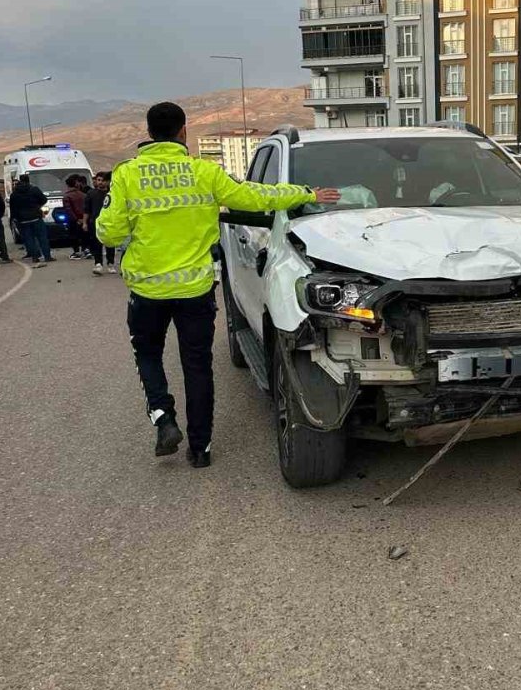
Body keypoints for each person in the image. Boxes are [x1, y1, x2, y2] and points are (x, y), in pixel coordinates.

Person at [96, 101, 341, 468]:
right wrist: (307, 194)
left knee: (147, 355)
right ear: (183, 131)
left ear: (149, 133)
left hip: (148, 291)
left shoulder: (127, 175)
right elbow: (254, 197)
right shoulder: (204, 172)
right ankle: (201, 448)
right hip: (195, 289)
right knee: (197, 365)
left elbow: (110, 232)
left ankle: (163, 417)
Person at [8, 173, 54, 265]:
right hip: (36, 217)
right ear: (28, 180)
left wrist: (15, 218)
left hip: (23, 220)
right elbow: (44, 200)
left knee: (29, 239)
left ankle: (35, 257)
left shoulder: (14, 194)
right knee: (42, 238)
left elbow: (12, 208)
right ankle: (47, 256)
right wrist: (37, 206)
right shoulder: (34, 189)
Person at [83, 171, 117, 275]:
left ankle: (110, 264)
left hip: (110, 222)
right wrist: (85, 223)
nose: (101, 182)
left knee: (110, 243)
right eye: (98, 180)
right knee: (96, 244)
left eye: (103, 180)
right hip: (95, 222)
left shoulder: (113, 193)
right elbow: (86, 210)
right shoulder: (91, 193)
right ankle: (98, 264)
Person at [62, 174, 88, 260]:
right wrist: (83, 219)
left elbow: (68, 210)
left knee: (73, 236)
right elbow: (86, 208)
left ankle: (76, 252)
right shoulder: (83, 195)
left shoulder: (67, 196)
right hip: (84, 219)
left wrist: (76, 219)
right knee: (84, 235)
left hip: (73, 220)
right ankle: (86, 250)